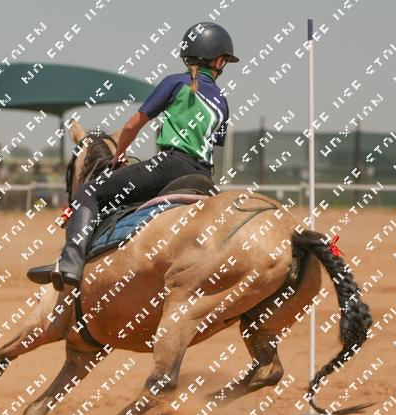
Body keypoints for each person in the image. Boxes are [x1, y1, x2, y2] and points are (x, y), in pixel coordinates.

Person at [28, 22, 238, 290]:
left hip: (170, 166)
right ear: (218, 61)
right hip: (204, 176)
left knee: (90, 192)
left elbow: (131, 127)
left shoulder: (175, 83)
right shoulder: (222, 101)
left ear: (188, 56)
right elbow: (212, 144)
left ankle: (70, 261)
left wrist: (119, 155)